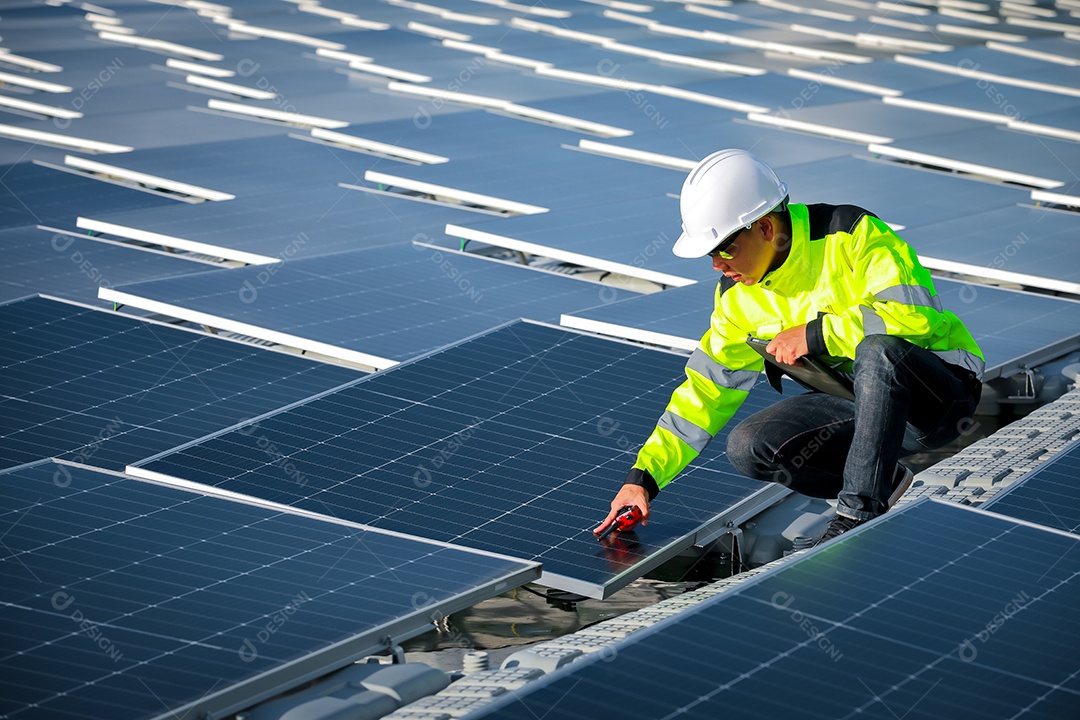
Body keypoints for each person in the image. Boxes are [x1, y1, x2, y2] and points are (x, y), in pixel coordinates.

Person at [593, 149, 983, 545]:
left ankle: (856, 515)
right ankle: (883, 476)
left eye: (725, 247)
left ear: (764, 228)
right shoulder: (736, 299)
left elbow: (915, 314)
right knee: (749, 446)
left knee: (877, 351)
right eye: (710, 254)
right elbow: (705, 391)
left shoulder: (850, 233)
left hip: (936, 400)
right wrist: (643, 479)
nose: (717, 264)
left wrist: (815, 335)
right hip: (862, 412)